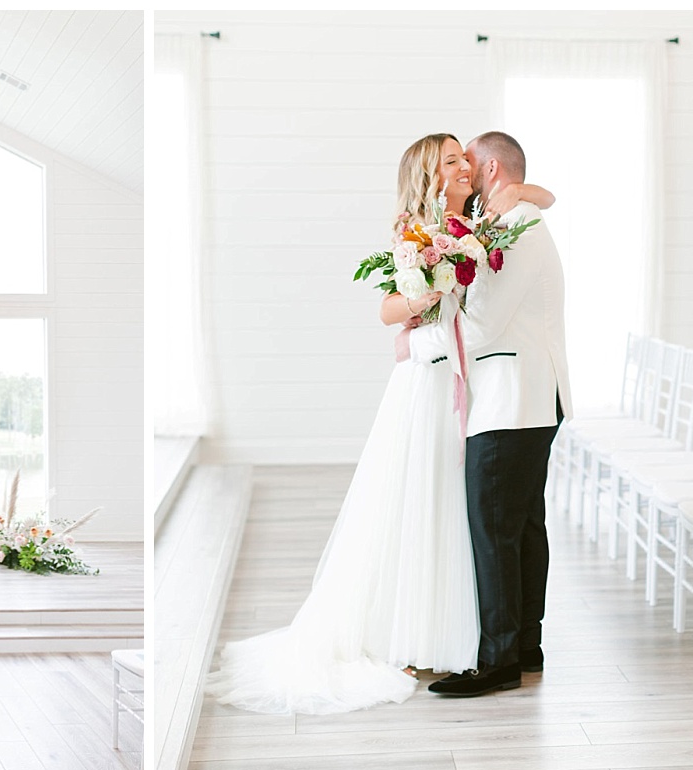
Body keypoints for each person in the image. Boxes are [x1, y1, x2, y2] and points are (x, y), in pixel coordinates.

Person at [205, 133, 555, 715]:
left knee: (475, 515)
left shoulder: (483, 218)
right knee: (431, 504)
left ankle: (482, 640)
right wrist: (423, 301)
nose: (464, 166)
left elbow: (536, 201)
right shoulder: (416, 230)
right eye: (452, 160)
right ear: (431, 174)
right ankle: (436, 633)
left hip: (467, 378)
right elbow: (388, 307)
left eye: (468, 159)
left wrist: (519, 190)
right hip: (440, 377)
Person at [397, 131, 571, 697]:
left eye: (468, 162)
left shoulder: (516, 226)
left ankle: (497, 661)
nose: (465, 173)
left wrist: (416, 348)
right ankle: (524, 646)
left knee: (496, 531)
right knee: (521, 527)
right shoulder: (512, 217)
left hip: (512, 401)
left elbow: (483, 323)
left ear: (493, 169)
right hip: (525, 399)